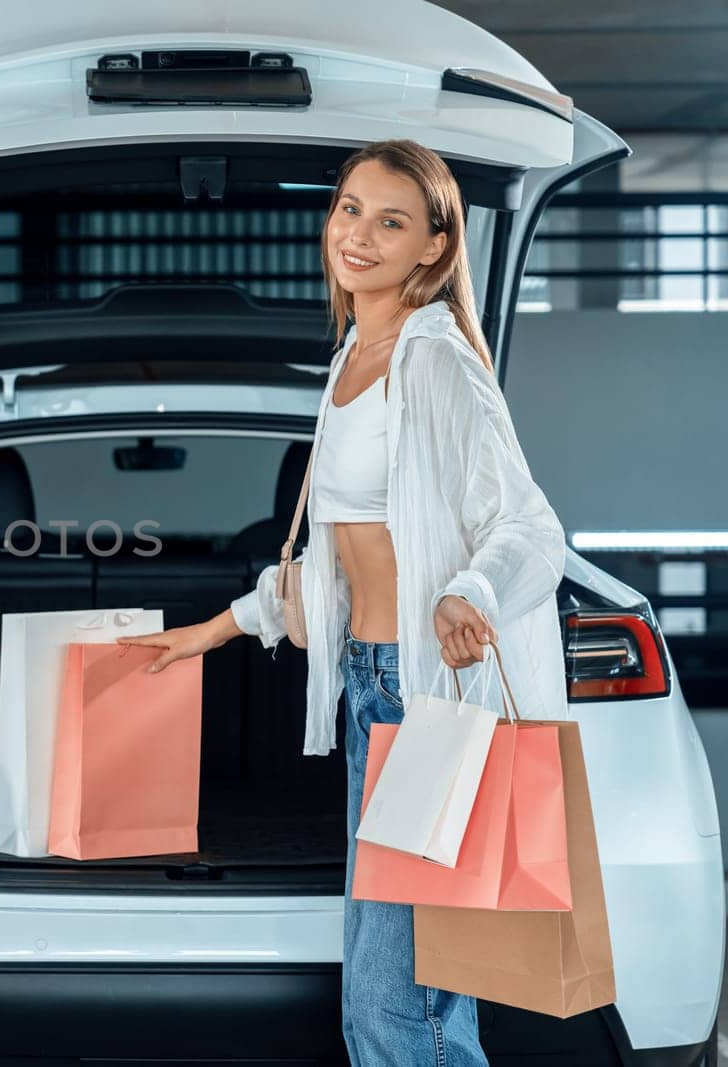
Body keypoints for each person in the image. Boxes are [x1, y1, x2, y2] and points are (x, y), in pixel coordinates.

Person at [117, 138, 569, 1066]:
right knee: (400, 992)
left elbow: (530, 526)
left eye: (391, 220)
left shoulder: (435, 360)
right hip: (373, 692)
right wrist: (213, 630)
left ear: (434, 249)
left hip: (431, 698)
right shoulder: (351, 361)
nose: (359, 234)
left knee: (396, 1002)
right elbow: (329, 564)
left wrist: (466, 592)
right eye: (350, 209)